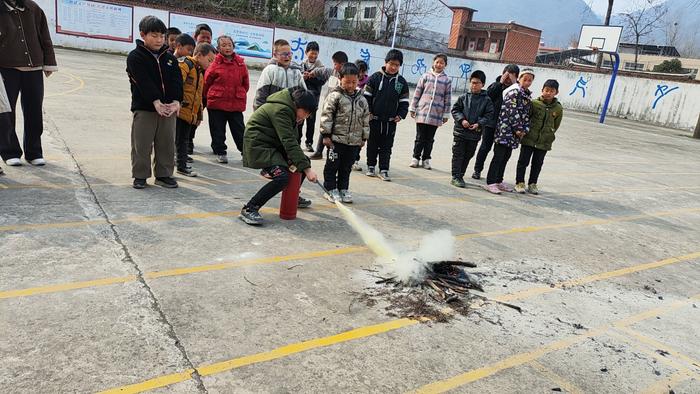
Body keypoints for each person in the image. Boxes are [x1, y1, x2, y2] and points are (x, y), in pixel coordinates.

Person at [240, 87, 319, 226]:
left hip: (273, 145)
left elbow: (291, 141)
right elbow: (288, 141)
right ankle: (250, 208)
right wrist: (307, 170)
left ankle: (293, 196)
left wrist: (303, 164)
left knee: (302, 161)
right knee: (282, 177)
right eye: (305, 112)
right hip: (259, 145)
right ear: (297, 105)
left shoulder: (290, 110)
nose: (305, 116)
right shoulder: (281, 110)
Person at [126, 16, 183, 189]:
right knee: (141, 144)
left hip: (168, 109)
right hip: (145, 108)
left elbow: (177, 81)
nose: (159, 40)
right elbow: (142, 81)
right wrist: (155, 102)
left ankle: (164, 174)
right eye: (154, 35)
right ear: (143, 34)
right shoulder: (136, 57)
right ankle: (140, 175)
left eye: (162, 36)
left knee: (166, 143)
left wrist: (176, 101)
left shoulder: (170, 58)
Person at [0, 0, 58, 167]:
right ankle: (9, 151)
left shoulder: (33, 8)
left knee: (34, 111)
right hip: (6, 68)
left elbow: (45, 36)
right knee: (6, 112)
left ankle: (34, 152)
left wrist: (49, 62)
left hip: (33, 69)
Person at [319, 63, 370, 203]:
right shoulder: (335, 96)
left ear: (358, 80)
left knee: (346, 167)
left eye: (354, 82)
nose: (351, 85)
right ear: (340, 79)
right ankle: (330, 189)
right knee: (332, 166)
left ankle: (343, 189)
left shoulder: (362, 100)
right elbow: (326, 116)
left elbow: (365, 120)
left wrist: (364, 138)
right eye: (347, 82)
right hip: (336, 141)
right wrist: (326, 135)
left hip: (353, 142)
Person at [484, 68, 535, 194]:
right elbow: (511, 111)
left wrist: (524, 129)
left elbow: (527, 114)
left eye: (530, 80)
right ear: (519, 79)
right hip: (505, 130)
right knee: (498, 156)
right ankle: (490, 182)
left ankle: (498, 180)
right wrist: (518, 128)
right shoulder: (513, 92)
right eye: (525, 79)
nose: (527, 82)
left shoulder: (526, 94)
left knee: (506, 156)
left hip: (515, 133)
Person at [363, 49, 409, 181]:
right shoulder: (375, 78)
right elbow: (367, 98)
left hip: (390, 122)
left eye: (397, 65)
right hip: (374, 120)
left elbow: (404, 102)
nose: (393, 67)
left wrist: (400, 115)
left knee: (387, 147)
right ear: (385, 62)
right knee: (372, 145)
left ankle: (384, 169)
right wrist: (369, 112)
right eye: (391, 63)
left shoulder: (401, 82)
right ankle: (371, 166)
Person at [204, 35, 250, 164]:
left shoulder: (241, 64)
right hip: (217, 103)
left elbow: (245, 84)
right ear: (218, 48)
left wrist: (238, 94)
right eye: (223, 45)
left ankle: (245, 152)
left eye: (229, 45)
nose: (227, 47)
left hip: (235, 103)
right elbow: (207, 83)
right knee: (218, 129)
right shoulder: (215, 64)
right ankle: (220, 152)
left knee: (239, 129)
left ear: (233, 46)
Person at [515, 79, 563, 195]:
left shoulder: (558, 108)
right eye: (546, 90)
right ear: (542, 90)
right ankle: (520, 182)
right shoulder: (534, 104)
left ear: (556, 93)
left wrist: (548, 134)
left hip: (544, 142)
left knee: (537, 164)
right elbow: (527, 118)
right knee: (523, 161)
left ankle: (532, 184)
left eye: (551, 91)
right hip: (529, 139)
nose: (548, 93)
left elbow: (556, 125)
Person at [472, 64, 520, 180]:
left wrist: (514, 85)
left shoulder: (516, 89)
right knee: (485, 147)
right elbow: (488, 96)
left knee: (500, 153)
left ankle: (496, 176)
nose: (508, 80)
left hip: (505, 127)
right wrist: (500, 83)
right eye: (506, 77)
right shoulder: (496, 85)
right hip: (491, 123)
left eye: (511, 77)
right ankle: (477, 170)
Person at [176, 43, 217, 177]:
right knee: (176, 140)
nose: (211, 64)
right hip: (179, 111)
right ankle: (174, 165)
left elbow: (198, 96)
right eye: (209, 60)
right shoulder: (185, 65)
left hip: (189, 114)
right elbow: (176, 85)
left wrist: (198, 115)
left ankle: (181, 166)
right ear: (199, 55)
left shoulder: (199, 71)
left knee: (183, 140)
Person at [449, 70, 494, 188]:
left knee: (469, 154)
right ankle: (456, 176)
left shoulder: (487, 100)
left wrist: (479, 124)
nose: (474, 85)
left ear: (483, 84)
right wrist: (462, 120)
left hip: (474, 134)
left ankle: (461, 175)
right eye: (472, 82)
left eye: (477, 83)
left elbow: (489, 115)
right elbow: (455, 110)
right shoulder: (463, 97)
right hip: (460, 132)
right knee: (458, 154)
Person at [409, 53, 452, 170]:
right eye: (437, 62)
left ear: (445, 65)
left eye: (442, 63)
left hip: (436, 113)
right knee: (419, 137)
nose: (439, 64)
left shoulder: (447, 80)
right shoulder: (425, 76)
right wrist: (413, 108)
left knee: (429, 138)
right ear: (433, 62)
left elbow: (447, 98)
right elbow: (417, 92)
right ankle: (415, 158)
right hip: (422, 111)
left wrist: (446, 114)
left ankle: (426, 159)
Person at [307, 51, 349, 159]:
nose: (334, 66)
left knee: (335, 132)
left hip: (341, 110)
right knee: (325, 128)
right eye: (334, 63)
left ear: (343, 64)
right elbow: (321, 71)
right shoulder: (332, 72)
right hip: (329, 108)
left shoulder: (348, 77)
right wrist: (312, 73)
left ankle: (333, 153)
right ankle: (319, 152)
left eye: (336, 64)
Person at [253, 39, 307, 111]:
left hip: (290, 116)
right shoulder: (269, 71)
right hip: (271, 115)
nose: (287, 57)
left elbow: (304, 95)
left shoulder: (296, 72)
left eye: (289, 53)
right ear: (275, 55)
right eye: (284, 54)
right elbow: (260, 97)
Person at [186, 23, 213, 154]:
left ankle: (189, 140)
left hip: (203, 95)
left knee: (197, 119)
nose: (206, 40)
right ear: (195, 37)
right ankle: (185, 142)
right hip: (190, 94)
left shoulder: (213, 55)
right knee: (186, 119)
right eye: (203, 37)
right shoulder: (190, 54)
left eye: (209, 38)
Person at [298, 41, 324, 152]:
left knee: (311, 122)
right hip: (302, 99)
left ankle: (309, 143)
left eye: (315, 53)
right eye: (311, 53)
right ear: (306, 52)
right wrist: (303, 77)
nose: (313, 55)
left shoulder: (321, 67)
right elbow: (297, 80)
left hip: (314, 99)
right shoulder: (301, 65)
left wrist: (311, 77)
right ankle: (296, 141)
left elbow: (321, 81)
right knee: (299, 121)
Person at [351, 59, 370, 172]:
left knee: (360, 140)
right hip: (350, 115)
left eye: (363, 71)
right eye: (359, 71)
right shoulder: (350, 80)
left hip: (362, 115)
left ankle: (355, 160)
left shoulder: (368, 82)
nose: (361, 74)